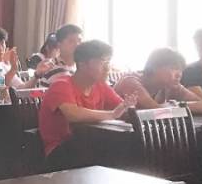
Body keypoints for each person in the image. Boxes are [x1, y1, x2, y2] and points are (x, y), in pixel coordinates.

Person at [38, 40, 136, 171]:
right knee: (112, 145)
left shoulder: (101, 86)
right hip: (60, 151)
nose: (107, 68)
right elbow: (74, 115)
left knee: (129, 142)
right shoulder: (61, 85)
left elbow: (123, 109)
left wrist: (128, 109)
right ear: (82, 64)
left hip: (89, 144)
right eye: (103, 62)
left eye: (108, 62)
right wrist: (112, 114)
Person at [114, 47, 202, 115]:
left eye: (180, 70)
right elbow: (156, 111)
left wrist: (178, 105)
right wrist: (178, 106)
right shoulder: (131, 82)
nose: (179, 74)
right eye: (174, 68)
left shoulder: (170, 85)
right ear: (155, 67)